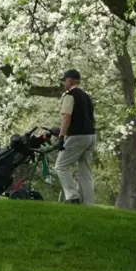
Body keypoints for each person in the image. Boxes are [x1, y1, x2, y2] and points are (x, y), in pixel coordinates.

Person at [54, 68, 97, 204]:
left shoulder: (69, 96)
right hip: (91, 136)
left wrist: (61, 137)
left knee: (60, 166)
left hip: (78, 136)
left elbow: (67, 117)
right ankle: (88, 203)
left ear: (70, 81)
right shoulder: (86, 96)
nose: (63, 84)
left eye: (64, 81)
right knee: (85, 171)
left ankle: (72, 197)